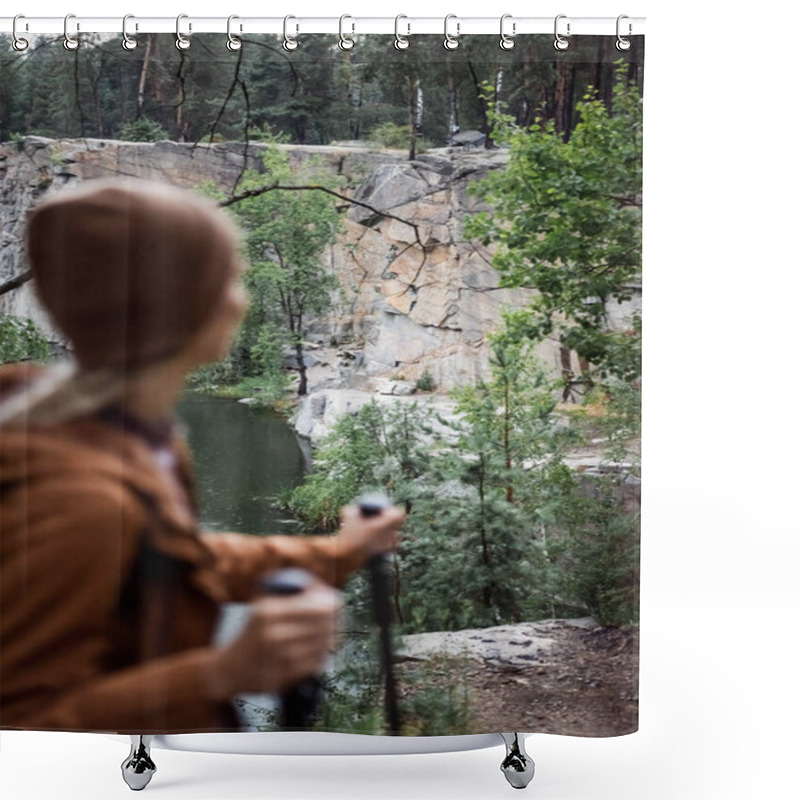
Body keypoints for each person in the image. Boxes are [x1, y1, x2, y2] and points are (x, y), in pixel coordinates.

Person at [0, 179, 405, 734]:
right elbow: (22, 729)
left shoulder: (115, 431)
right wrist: (222, 672)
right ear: (181, 307)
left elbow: (176, 557)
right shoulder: (80, 502)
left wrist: (336, 554)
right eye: (229, 278)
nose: (240, 297)